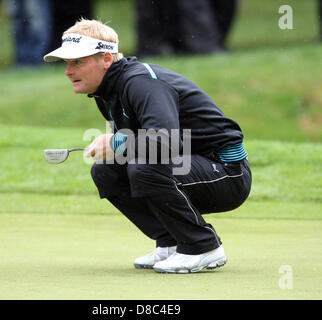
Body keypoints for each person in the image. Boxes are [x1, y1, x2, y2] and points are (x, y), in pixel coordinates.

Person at [43, 19, 251, 274]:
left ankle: (202, 246)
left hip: (228, 172)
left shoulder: (141, 82)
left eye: (78, 62)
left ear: (106, 59)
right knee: (106, 170)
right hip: (192, 165)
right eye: (67, 63)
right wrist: (117, 147)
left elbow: (164, 143)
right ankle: (171, 241)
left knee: (144, 168)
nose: (68, 71)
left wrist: (117, 142)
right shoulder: (106, 90)